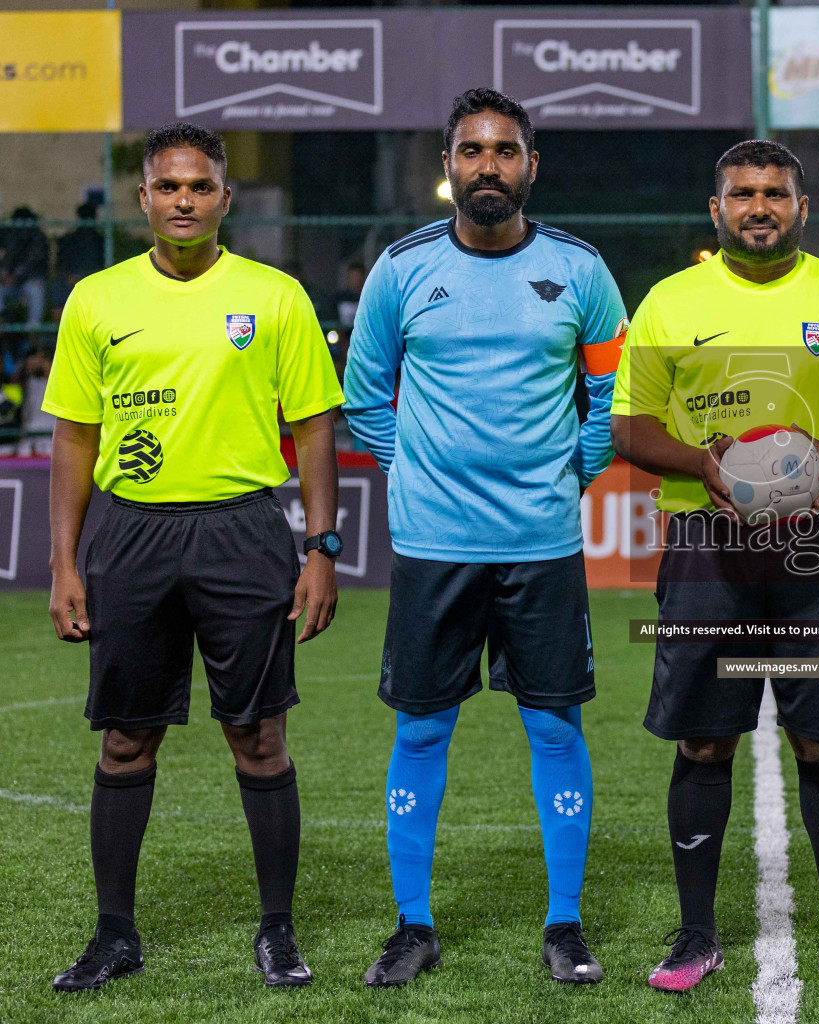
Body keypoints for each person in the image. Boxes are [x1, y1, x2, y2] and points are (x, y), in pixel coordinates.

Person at [43, 122, 343, 992]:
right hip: (130, 534)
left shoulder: (275, 295)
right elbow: (73, 437)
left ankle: (278, 933)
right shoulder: (95, 300)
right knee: (126, 739)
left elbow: (315, 425)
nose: (184, 201)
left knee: (257, 735)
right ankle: (113, 934)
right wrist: (65, 562)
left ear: (224, 197)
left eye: (201, 187)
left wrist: (321, 546)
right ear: (144, 198)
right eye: (168, 187)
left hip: (243, 531)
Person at [611, 139, 819, 993]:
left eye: (775, 194)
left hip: (815, 552)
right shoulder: (670, 304)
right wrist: (700, 465)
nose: (759, 207)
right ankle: (694, 935)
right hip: (707, 550)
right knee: (706, 739)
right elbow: (627, 429)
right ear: (717, 209)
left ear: (802, 207)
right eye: (742, 194)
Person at [343, 88, 627, 988]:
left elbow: (608, 396)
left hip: (540, 545)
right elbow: (363, 398)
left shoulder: (582, 272)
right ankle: (413, 925)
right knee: (422, 731)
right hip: (434, 547)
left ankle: (566, 923)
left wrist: (568, 476)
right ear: (449, 165)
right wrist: (419, 472)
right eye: (472, 151)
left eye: (506, 151)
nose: (488, 166)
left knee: (554, 724)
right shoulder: (400, 270)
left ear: (530, 166)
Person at [0, 205, 49, 328]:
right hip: (11, 283)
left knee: (36, 291)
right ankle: (2, 324)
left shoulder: (38, 237)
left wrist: (16, 276)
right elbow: (7, 260)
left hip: (30, 280)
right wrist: (5, 274)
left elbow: (33, 262)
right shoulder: (10, 236)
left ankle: (33, 331)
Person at [54, 203, 106, 309]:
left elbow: (101, 265)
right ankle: (59, 323)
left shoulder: (99, 240)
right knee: (59, 288)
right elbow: (61, 263)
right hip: (69, 278)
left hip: (92, 278)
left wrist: (84, 276)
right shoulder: (69, 239)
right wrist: (70, 276)